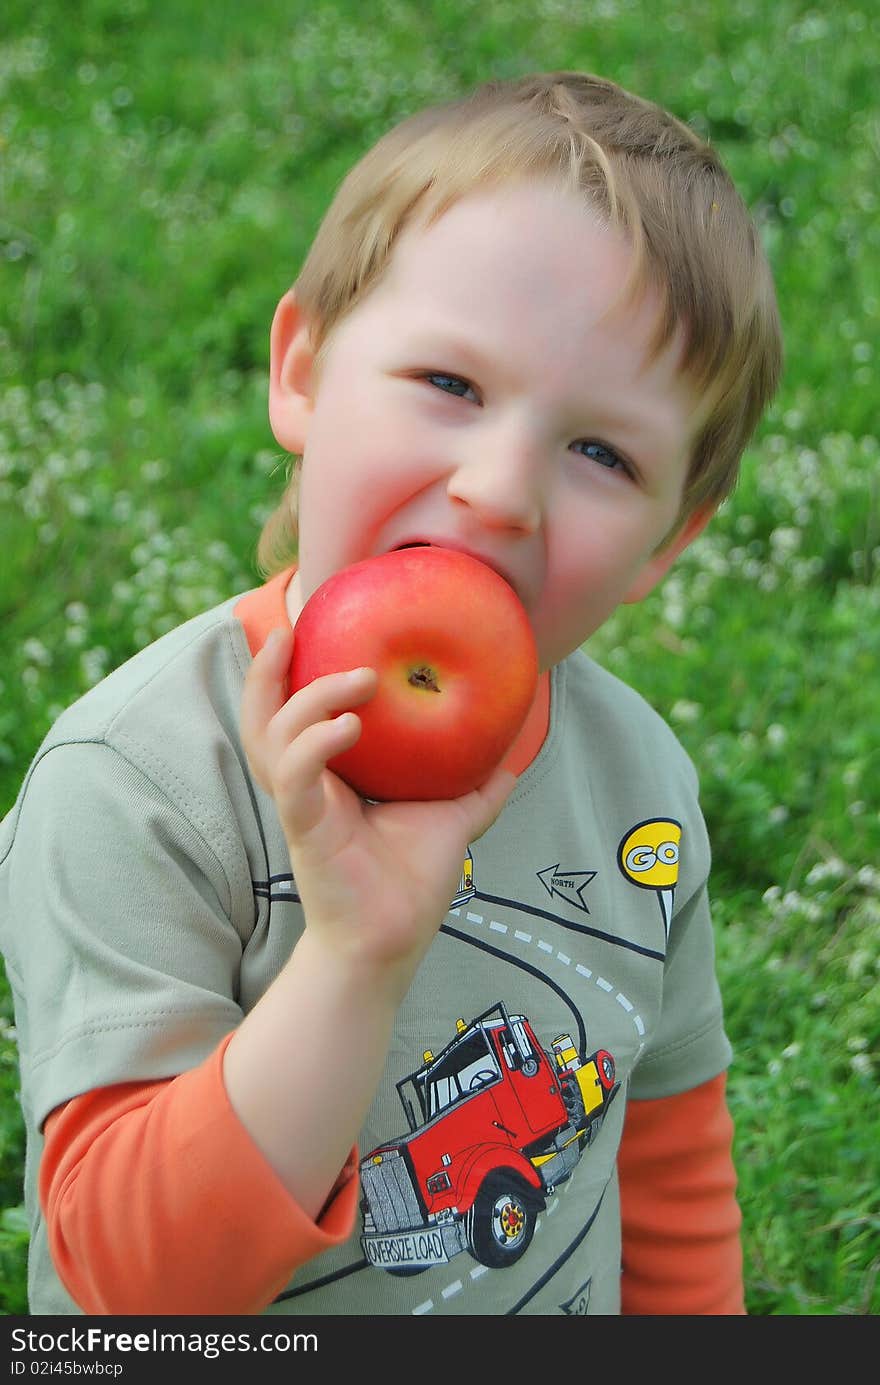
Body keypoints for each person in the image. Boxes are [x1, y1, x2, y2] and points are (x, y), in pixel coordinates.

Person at [0, 70, 782, 1317]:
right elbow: (129, 1292)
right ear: (303, 371)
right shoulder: (138, 783)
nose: (500, 488)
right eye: (451, 386)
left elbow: (670, 1150)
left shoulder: (637, 783)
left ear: (665, 543)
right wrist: (355, 954)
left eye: (600, 453)